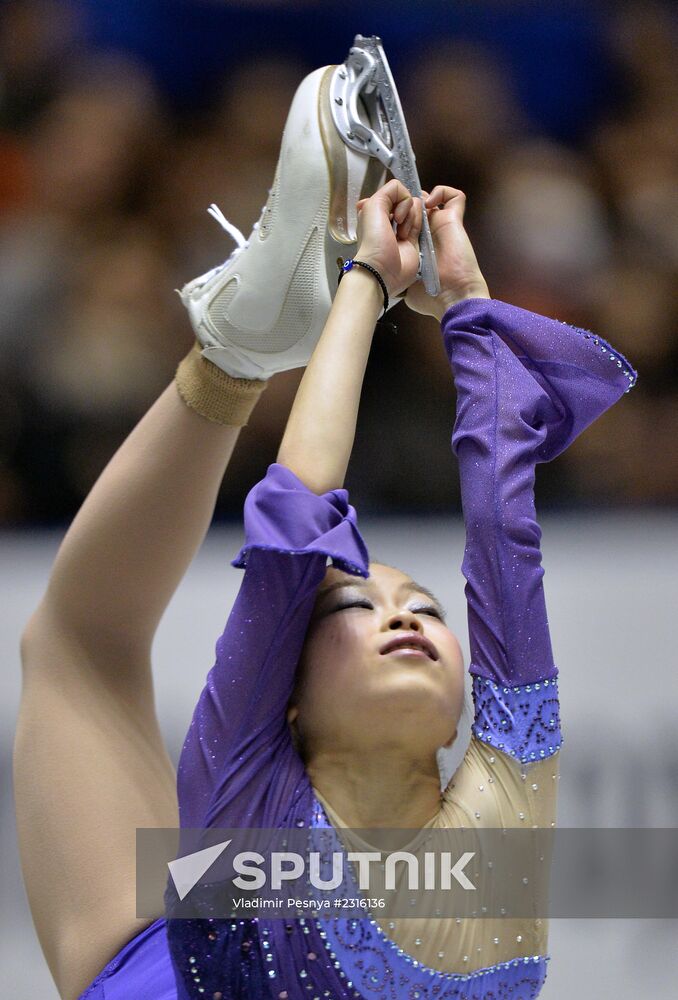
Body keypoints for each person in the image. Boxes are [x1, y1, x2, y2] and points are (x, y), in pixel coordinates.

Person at [14, 77, 637, 1000]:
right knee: (77, 646)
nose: (408, 616)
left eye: (421, 605)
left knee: (78, 648)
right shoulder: (259, 798)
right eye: (360, 602)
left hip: (185, 942)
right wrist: (433, 302)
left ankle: (237, 346)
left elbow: (438, 537)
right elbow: (401, 513)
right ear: (287, 703)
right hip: (193, 928)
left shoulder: (492, 809)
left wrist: (396, 292)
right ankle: (238, 348)